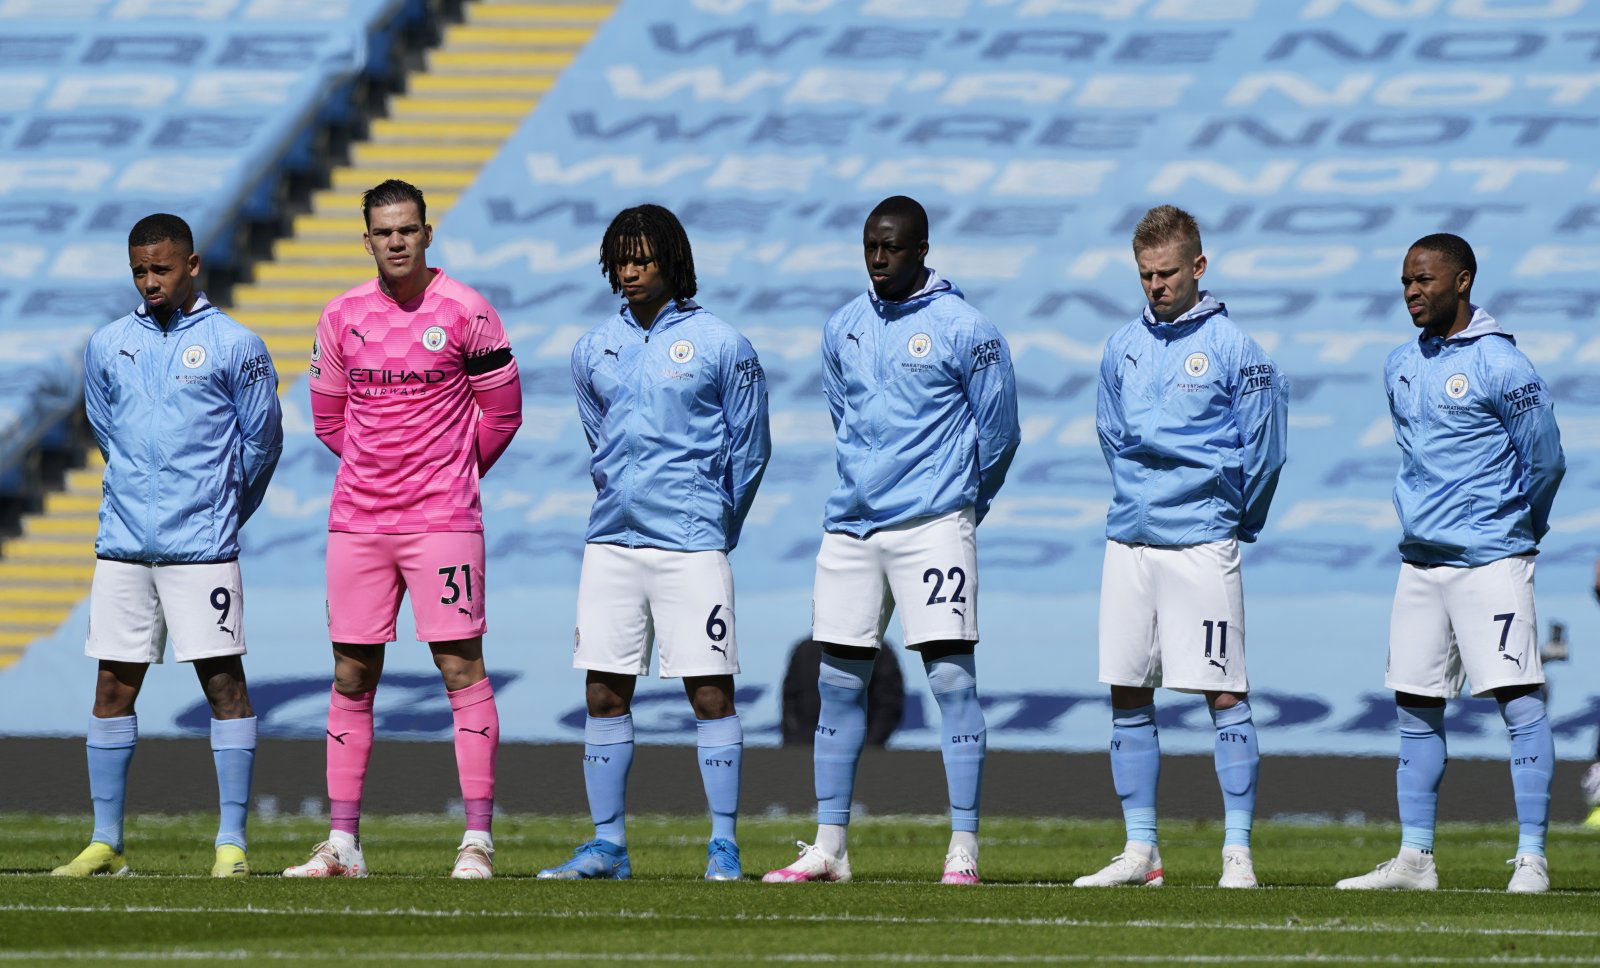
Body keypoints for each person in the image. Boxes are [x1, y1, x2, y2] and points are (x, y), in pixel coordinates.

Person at [763, 195, 1020, 886]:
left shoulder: (968, 330)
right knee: (837, 683)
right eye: (871, 246)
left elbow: (1000, 433)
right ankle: (830, 847)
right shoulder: (843, 326)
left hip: (933, 525)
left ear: (922, 249)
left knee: (950, 680)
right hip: (851, 526)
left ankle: (962, 846)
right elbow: (845, 418)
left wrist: (965, 504)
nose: (879, 258)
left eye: (893, 247)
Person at [284, 179, 523, 880]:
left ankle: (476, 841)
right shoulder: (340, 317)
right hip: (359, 522)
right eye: (383, 231)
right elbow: (329, 420)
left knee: (459, 667)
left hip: (442, 521)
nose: (396, 240)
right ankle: (343, 846)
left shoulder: (468, 311)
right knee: (352, 673)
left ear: (426, 234)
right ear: (367, 240)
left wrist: (447, 472)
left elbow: (502, 415)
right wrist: (380, 471)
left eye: (407, 229)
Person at [537, 204, 770, 882]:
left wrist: (714, 525)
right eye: (621, 257)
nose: (631, 268)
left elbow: (750, 449)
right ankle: (608, 846)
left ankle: (723, 846)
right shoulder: (591, 348)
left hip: (691, 546)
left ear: (672, 260)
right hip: (611, 542)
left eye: (643, 256)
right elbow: (599, 439)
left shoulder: (723, 343)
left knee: (709, 694)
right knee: (605, 693)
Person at [53, 213, 283, 878]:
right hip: (123, 546)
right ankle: (106, 843)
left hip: (202, 548)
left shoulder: (236, 345)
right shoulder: (108, 344)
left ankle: (232, 844)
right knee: (111, 688)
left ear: (191, 266)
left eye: (161, 269)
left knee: (223, 686)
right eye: (139, 271)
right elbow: (106, 430)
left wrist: (221, 511)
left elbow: (261, 443)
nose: (150, 282)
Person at [1337, 233, 1564, 893]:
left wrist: (1524, 529)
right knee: (1416, 704)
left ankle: (1532, 858)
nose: (1412, 292)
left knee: (1518, 699)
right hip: (1420, 563)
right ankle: (1415, 860)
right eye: (1406, 281)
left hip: (1491, 559)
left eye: (1426, 280)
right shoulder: (1399, 364)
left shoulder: (1503, 365)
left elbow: (1544, 458)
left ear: (1462, 281)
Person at [1076, 205, 1287, 890]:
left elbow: (1267, 450)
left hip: (1202, 543)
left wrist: (1230, 520)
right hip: (1131, 541)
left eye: (1167, 273)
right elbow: (1112, 435)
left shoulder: (1237, 350)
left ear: (1199, 267)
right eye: (1145, 275)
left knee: (1223, 692)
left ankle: (1237, 852)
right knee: (1128, 690)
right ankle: (1141, 853)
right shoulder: (1121, 347)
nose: (1156, 286)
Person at [780, 639, 904, 748]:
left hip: (860, 748)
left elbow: (888, 705)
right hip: (805, 747)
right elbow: (790, 701)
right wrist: (795, 743)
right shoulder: (805, 649)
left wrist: (871, 746)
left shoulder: (878, 650)